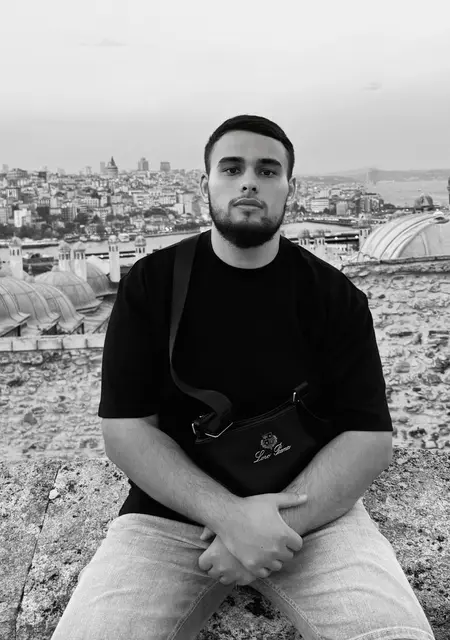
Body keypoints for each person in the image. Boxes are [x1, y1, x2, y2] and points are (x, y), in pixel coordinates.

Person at [51, 114, 435, 640]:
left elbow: (368, 437)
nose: (249, 182)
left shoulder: (333, 296)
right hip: (171, 516)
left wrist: (271, 528)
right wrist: (231, 519)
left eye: (267, 170)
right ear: (204, 184)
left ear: (290, 188)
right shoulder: (152, 284)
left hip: (313, 515)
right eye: (232, 169)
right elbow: (126, 429)